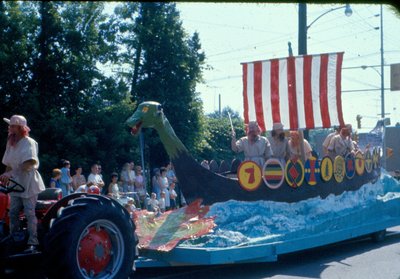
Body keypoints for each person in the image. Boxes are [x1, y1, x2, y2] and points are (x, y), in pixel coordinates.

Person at [0, 115, 45, 252]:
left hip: (29, 181)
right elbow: (8, 164)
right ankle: (15, 238)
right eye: (10, 126)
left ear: (20, 128)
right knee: (12, 212)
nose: (10, 128)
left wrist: (11, 173)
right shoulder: (11, 142)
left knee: (29, 212)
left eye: (13, 126)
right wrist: (4, 176)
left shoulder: (29, 142)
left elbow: (29, 163)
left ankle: (33, 242)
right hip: (15, 182)